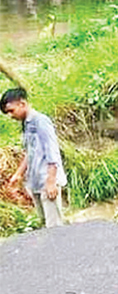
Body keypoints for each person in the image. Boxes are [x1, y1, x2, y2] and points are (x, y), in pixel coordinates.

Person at [2, 88, 67, 228]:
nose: (10, 116)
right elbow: (30, 152)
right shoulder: (26, 124)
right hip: (36, 182)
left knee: (54, 227)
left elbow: (52, 151)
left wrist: (51, 181)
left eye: (11, 111)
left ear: (22, 103)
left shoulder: (41, 121)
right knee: (45, 225)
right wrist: (18, 175)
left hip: (47, 181)